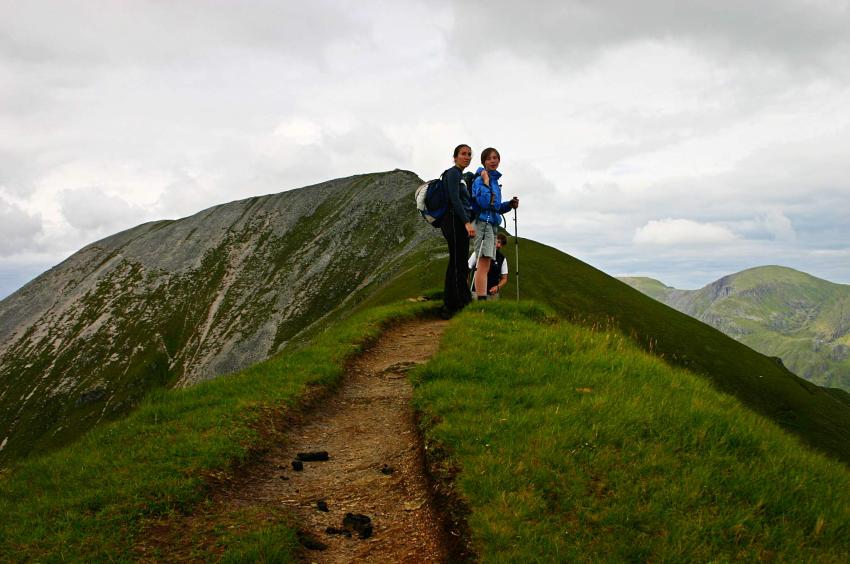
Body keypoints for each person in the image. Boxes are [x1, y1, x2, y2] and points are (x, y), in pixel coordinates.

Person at [471, 148, 518, 301]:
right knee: (483, 264)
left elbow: (495, 207)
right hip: (483, 223)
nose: (493, 161)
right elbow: (484, 202)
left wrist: (509, 205)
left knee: (486, 264)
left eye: (496, 158)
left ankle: (481, 300)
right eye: (489, 158)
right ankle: (481, 301)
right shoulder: (480, 180)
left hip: (491, 224)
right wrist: (485, 182)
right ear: (483, 161)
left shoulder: (495, 182)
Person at [439, 144, 476, 318]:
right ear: (455, 157)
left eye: (469, 154)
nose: (467, 157)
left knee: (459, 262)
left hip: (456, 222)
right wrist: (466, 223)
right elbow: (454, 199)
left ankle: (457, 302)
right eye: (463, 154)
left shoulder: (460, 175)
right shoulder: (453, 173)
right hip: (454, 221)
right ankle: (453, 305)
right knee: (457, 263)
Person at [468, 232, 509, 299]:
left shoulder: (502, 258)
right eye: (498, 242)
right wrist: (467, 286)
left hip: (492, 294)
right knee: (476, 309)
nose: (499, 245)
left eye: (501, 244)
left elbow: (504, 278)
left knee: (492, 309)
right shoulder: (478, 252)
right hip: (476, 292)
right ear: (493, 240)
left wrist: (498, 287)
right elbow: (467, 269)